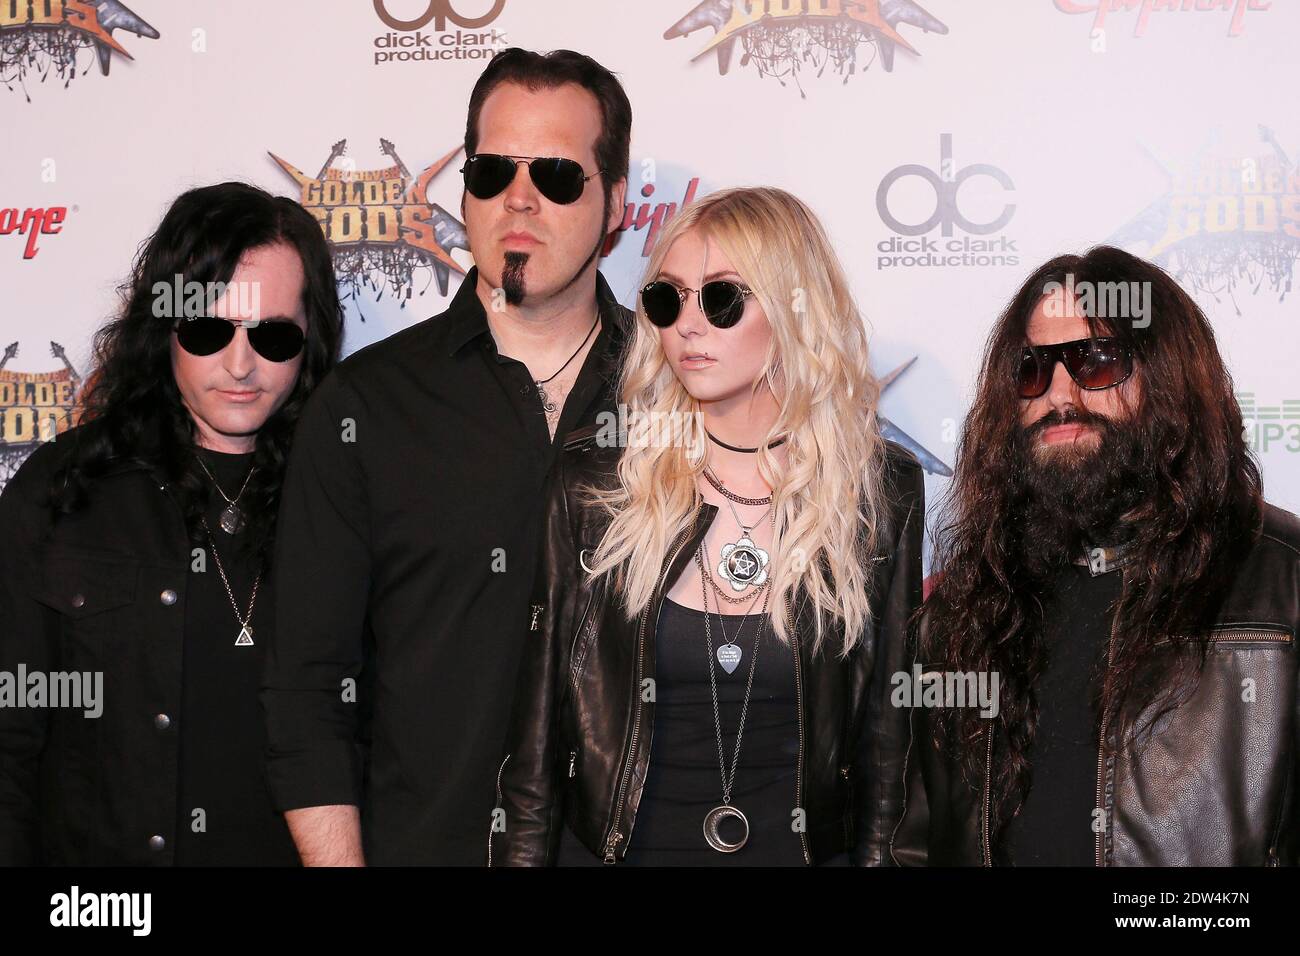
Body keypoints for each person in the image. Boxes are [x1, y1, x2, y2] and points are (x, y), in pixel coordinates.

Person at [262, 48, 634, 865]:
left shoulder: (677, 399)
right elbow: (305, 689)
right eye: (493, 169)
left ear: (615, 204)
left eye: (560, 177)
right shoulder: (366, 408)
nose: (520, 199)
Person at [491, 186, 924, 866]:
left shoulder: (878, 492)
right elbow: (534, 749)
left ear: (794, 311)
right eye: (668, 299)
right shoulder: (597, 486)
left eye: (721, 299)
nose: (687, 324)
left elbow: (889, 752)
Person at [892, 245, 1300, 866]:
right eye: (1032, 369)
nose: (1058, 394)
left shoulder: (1284, 582)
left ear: (1167, 378)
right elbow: (920, 845)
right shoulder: (969, 604)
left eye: (1096, 362)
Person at [0, 182, 341, 865]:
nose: (240, 365)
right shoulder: (65, 492)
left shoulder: (348, 497)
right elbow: (8, 746)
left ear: (310, 340)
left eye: (272, 335)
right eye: (209, 329)